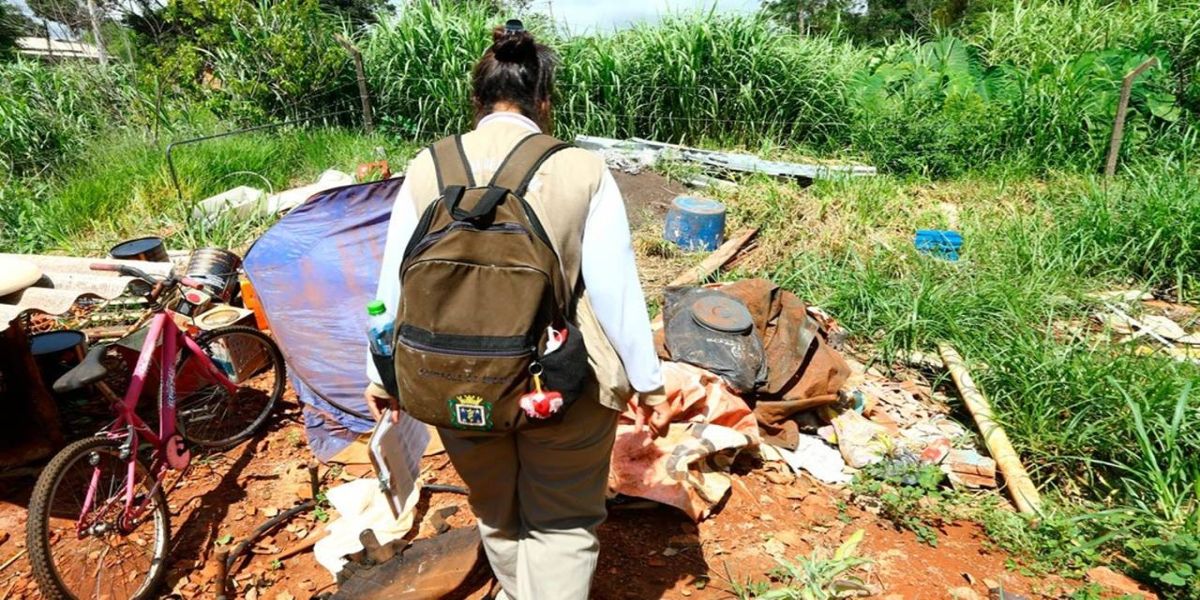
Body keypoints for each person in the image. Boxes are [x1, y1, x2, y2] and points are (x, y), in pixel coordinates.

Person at [363, 20, 673, 600]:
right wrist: (647, 385)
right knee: (560, 522)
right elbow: (615, 292)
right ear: (544, 103)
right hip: (559, 383)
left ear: (476, 102)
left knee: (497, 510)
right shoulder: (581, 168)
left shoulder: (427, 165)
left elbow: (394, 282)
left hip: (449, 384)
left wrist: (378, 376)